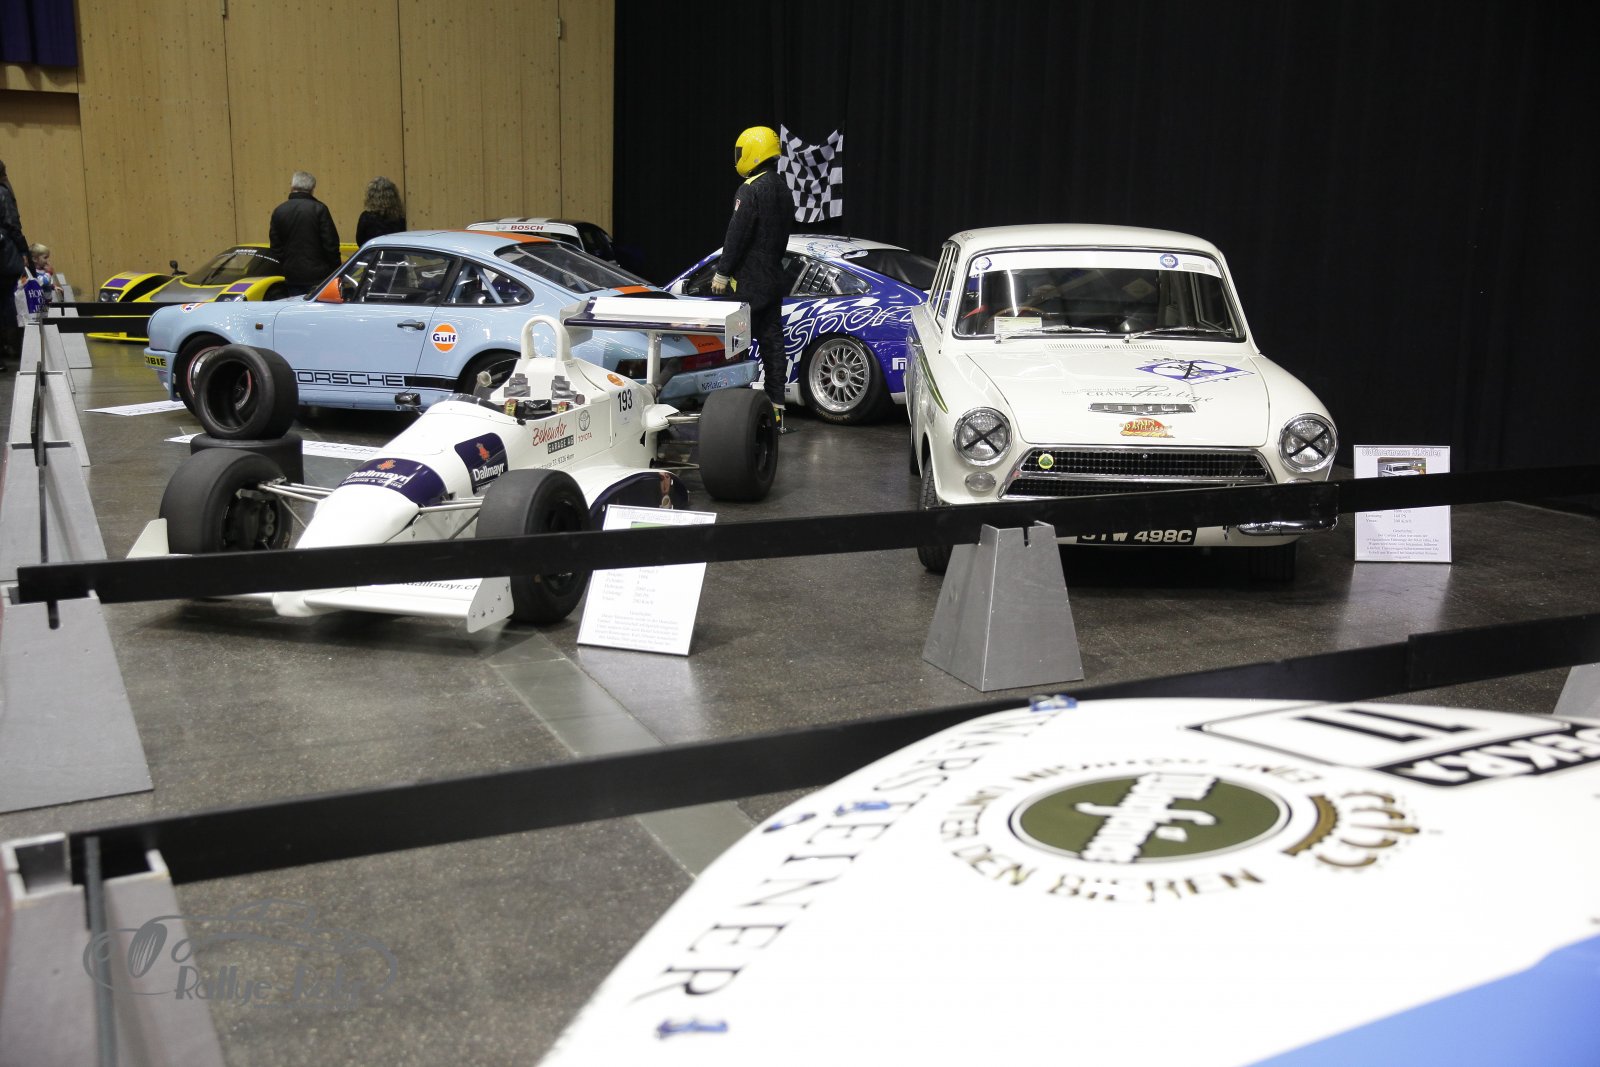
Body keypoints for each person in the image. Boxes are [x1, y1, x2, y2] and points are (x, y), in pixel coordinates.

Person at [711, 126, 792, 431]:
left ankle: (738, 412)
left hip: (747, 283)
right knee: (773, 345)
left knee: (736, 346)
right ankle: (776, 410)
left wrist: (723, 272)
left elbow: (737, 234)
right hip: (773, 278)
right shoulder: (784, 190)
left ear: (753, 152)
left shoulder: (750, 189)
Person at [267, 170, 341, 297]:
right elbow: (331, 244)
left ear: (292, 187)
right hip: (319, 275)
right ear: (312, 189)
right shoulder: (320, 209)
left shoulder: (279, 211)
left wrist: (286, 265)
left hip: (292, 275)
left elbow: (275, 247)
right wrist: (335, 268)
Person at [0, 159, 35, 373]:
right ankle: (16, 347)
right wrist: (23, 251)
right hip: (4, 257)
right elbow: (13, 224)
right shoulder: (3, 193)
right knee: (9, 303)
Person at [356, 176, 407, 245]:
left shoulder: (366, 218)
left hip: (374, 251)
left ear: (371, 197)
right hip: (394, 251)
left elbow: (360, 241)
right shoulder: (400, 219)